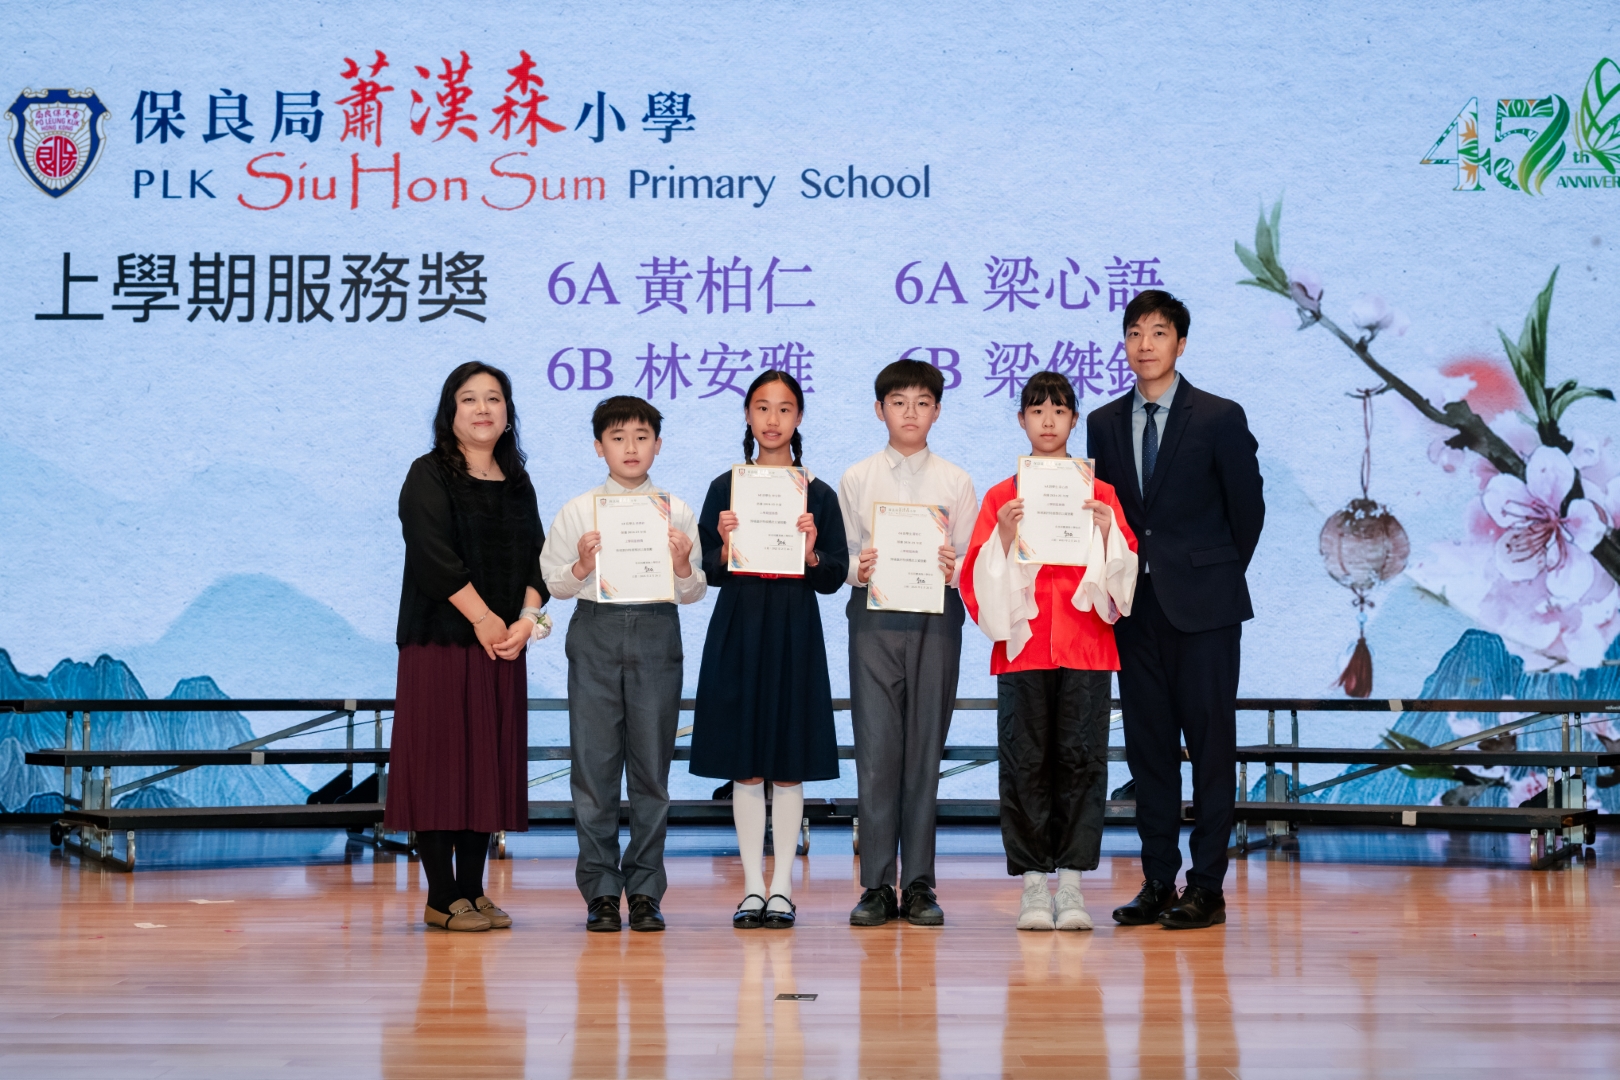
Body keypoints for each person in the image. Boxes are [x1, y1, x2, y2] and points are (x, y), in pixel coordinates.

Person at [1087, 290, 1265, 930]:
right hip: (1135, 610)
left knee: (1212, 748)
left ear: (1180, 344)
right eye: (1134, 332)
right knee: (1149, 750)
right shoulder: (1104, 422)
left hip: (1206, 612)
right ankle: (1158, 879)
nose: (1145, 344)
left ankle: (1207, 885)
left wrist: (1208, 575)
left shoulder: (1218, 416)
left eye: (1158, 332)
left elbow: (1248, 511)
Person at [961, 371, 1138, 931]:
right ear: (1021, 420)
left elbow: (1125, 571)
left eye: (1059, 411)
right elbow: (973, 577)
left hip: (1087, 647)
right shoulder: (1002, 497)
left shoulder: (1099, 494)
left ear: (1073, 420)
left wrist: (1108, 533)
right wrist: (1003, 537)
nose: (1048, 421)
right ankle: (1034, 885)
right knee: (1025, 763)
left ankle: (1073, 884)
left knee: (1082, 762)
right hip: (1026, 648)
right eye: (1037, 411)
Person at [387, 362, 549, 932]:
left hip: (501, 645)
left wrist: (526, 621)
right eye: (469, 399)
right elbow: (433, 556)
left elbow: (539, 560)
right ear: (449, 412)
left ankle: (474, 891)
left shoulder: (519, 480)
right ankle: (440, 895)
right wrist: (483, 618)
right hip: (441, 643)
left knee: (485, 767)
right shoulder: (427, 473)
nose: (483, 409)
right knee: (441, 768)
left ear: (508, 413)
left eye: (494, 399)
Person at [540, 396, 706, 933]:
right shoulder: (578, 509)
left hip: (657, 629)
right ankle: (601, 893)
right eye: (617, 438)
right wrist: (581, 565)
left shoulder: (677, 510)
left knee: (652, 772)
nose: (630, 447)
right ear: (598, 447)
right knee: (594, 771)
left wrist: (681, 564)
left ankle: (646, 891)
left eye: (641, 436)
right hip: (596, 629)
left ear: (658, 444)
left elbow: (694, 591)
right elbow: (554, 584)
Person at [690, 370, 849, 930]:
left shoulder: (818, 494)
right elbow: (705, 569)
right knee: (746, 766)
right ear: (748, 416)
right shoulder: (724, 488)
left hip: (794, 632)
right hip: (738, 628)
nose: (773, 419)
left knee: (786, 765)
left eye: (784, 408)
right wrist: (725, 544)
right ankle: (751, 889)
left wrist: (811, 553)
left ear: (798, 417)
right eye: (762, 407)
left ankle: (782, 887)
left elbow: (833, 575)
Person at [837, 359, 977, 927]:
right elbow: (842, 558)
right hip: (873, 618)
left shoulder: (956, 481)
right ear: (880, 410)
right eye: (899, 402)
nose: (910, 413)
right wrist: (860, 567)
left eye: (922, 403)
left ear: (937, 411)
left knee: (924, 752)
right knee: (876, 754)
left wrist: (952, 566)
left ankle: (918, 883)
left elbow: (972, 560)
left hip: (936, 618)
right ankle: (876, 885)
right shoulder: (857, 477)